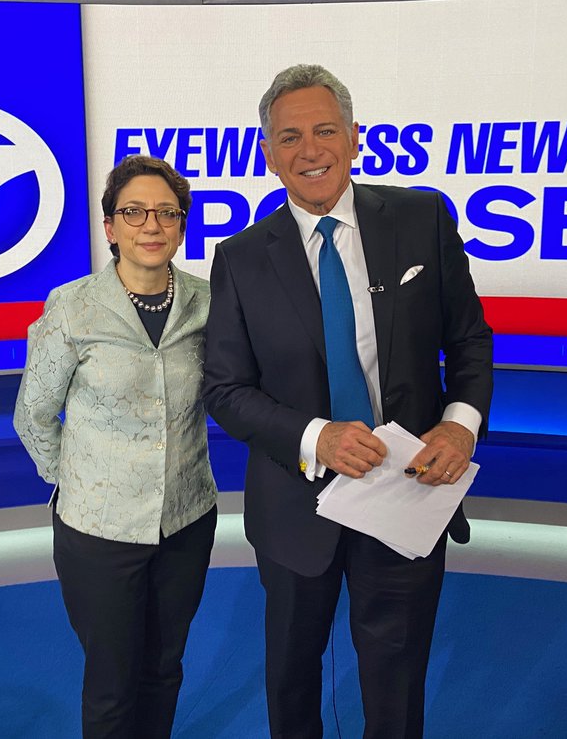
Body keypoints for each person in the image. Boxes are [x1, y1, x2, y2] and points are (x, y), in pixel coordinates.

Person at [203, 64, 494, 739]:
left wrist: (459, 427)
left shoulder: (422, 220)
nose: (310, 150)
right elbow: (225, 388)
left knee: (396, 676)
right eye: (290, 137)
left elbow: (469, 342)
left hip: (408, 489)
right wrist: (317, 437)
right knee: (292, 675)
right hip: (294, 505)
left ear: (355, 137)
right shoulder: (240, 258)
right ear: (268, 153)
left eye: (325, 130)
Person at [14, 155, 216, 739]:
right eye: (134, 212)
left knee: (164, 669)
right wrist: (77, 480)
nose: (151, 224)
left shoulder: (209, 302)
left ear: (181, 226)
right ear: (109, 226)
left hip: (185, 519)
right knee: (111, 684)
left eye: (166, 213)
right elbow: (33, 414)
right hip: (98, 532)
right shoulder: (71, 306)